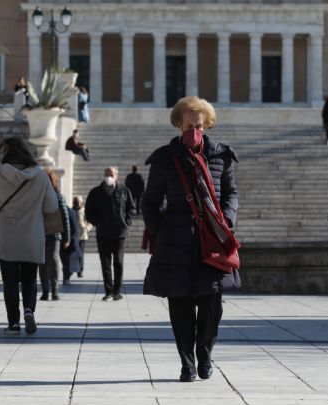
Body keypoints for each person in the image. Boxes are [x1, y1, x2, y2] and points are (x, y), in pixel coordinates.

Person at [142, 96, 240, 382]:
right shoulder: (164, 159)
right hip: (176, 241)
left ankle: (205, 353)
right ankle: (187, 363)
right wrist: (161, 230)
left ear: (207, 125)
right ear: (178, 125)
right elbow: (150, 202)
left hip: (212, 239)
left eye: (199, 125)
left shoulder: (221, 156)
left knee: (212, 304)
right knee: (181, 305)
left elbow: (231, 193)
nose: (194, 131)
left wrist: (226, 221)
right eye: (188, 125)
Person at [0, 137, 58, 335]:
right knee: (29, 279)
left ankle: (13, 324)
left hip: (6, 236)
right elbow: (52, 206)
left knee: (9, 281)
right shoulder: (41, 177)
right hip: (31, 236)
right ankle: (29, 310)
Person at [85, 166, 135, 301]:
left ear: (116, 176)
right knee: (105, 262)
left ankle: (118, 291)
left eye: (111, 174)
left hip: (120, 232)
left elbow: (131, 209)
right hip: (103, 233)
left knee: (118, 262)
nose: (108, 176)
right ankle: (108, 291)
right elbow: (88, 211)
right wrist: (97, 223)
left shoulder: (124, 191)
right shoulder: (96, 192)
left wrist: (127, 222)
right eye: (106, 173)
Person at [39, 170, 70, 301]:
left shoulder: (59, 196)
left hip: (54, 233)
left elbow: (65, 216)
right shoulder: (37, 196)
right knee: (42, 262)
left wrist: (67, 237)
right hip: (40, 233)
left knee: (53, 259)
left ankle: (55, 290)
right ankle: (45, 291)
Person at [61, 203, 82, 284]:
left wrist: (68, 240)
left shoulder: (66, 211)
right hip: (71, 239)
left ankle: (66, 277)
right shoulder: (71, 211)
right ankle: (67, 277)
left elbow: (72, 227)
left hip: (67, 240)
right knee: (66, 261)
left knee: (65, 261)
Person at [72, 195, 92, 278]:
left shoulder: (84, 211)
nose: (76, 202)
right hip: (73, 236)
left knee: (81, 254)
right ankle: (72, 269)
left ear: (81, 202)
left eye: (77, 201)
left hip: (82, 236)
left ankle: (80, 271)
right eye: (75, 201)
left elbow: (90, 222)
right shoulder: (71, 210)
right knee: (73, 254)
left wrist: (86, 228)